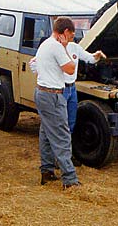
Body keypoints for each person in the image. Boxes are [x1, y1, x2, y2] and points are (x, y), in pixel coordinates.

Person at [34, 17, 80, 190]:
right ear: (65, 32)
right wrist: (65, 48)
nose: (71, 38)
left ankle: (47, 170)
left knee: (46, 133)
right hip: (52, 94)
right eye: (71, 34)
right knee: (62, 135)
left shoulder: (45, 44)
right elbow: (70, 68)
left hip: (43, 92)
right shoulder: (56, 46)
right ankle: (69, 179)